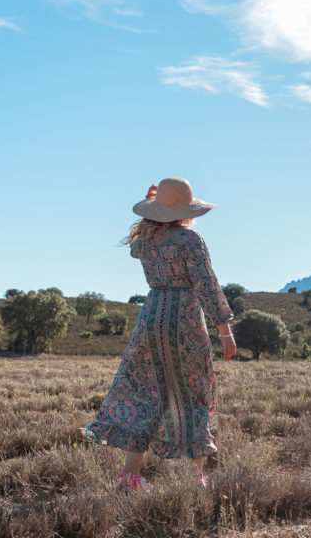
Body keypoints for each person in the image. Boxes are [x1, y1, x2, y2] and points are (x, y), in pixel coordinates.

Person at [80, 177, 235, 491]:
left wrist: (151, 213)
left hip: (151, 317)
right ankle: (196, 479)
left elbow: (135, 245)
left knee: (141, 392)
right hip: (186, 320)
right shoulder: (190, 240)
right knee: (195, 391)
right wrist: (225, 332)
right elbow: (207, 284)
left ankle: (131, 476)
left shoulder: (145, 240)